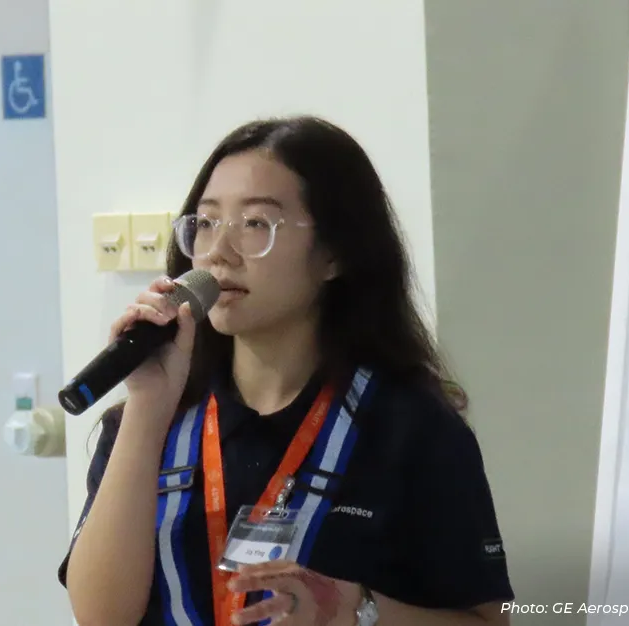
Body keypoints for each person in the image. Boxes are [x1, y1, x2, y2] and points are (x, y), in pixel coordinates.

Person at [58, 115, 515, 626]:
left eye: (256, 224)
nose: (217, 253)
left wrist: (359, 613)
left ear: (334, 254)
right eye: (205, 223)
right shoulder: (153, 418)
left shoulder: (410, 426)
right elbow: (100, 617)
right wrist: (147, 406)